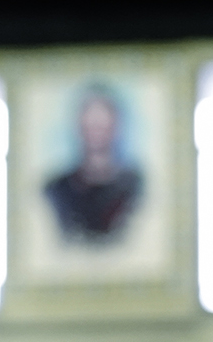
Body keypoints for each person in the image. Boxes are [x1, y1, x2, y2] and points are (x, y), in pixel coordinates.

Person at [43, 87, 142, 241]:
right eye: (91, 122)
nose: (96, 127)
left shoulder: (136, 187)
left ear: (116, 126)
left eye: (102, 122)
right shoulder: (57, 189)